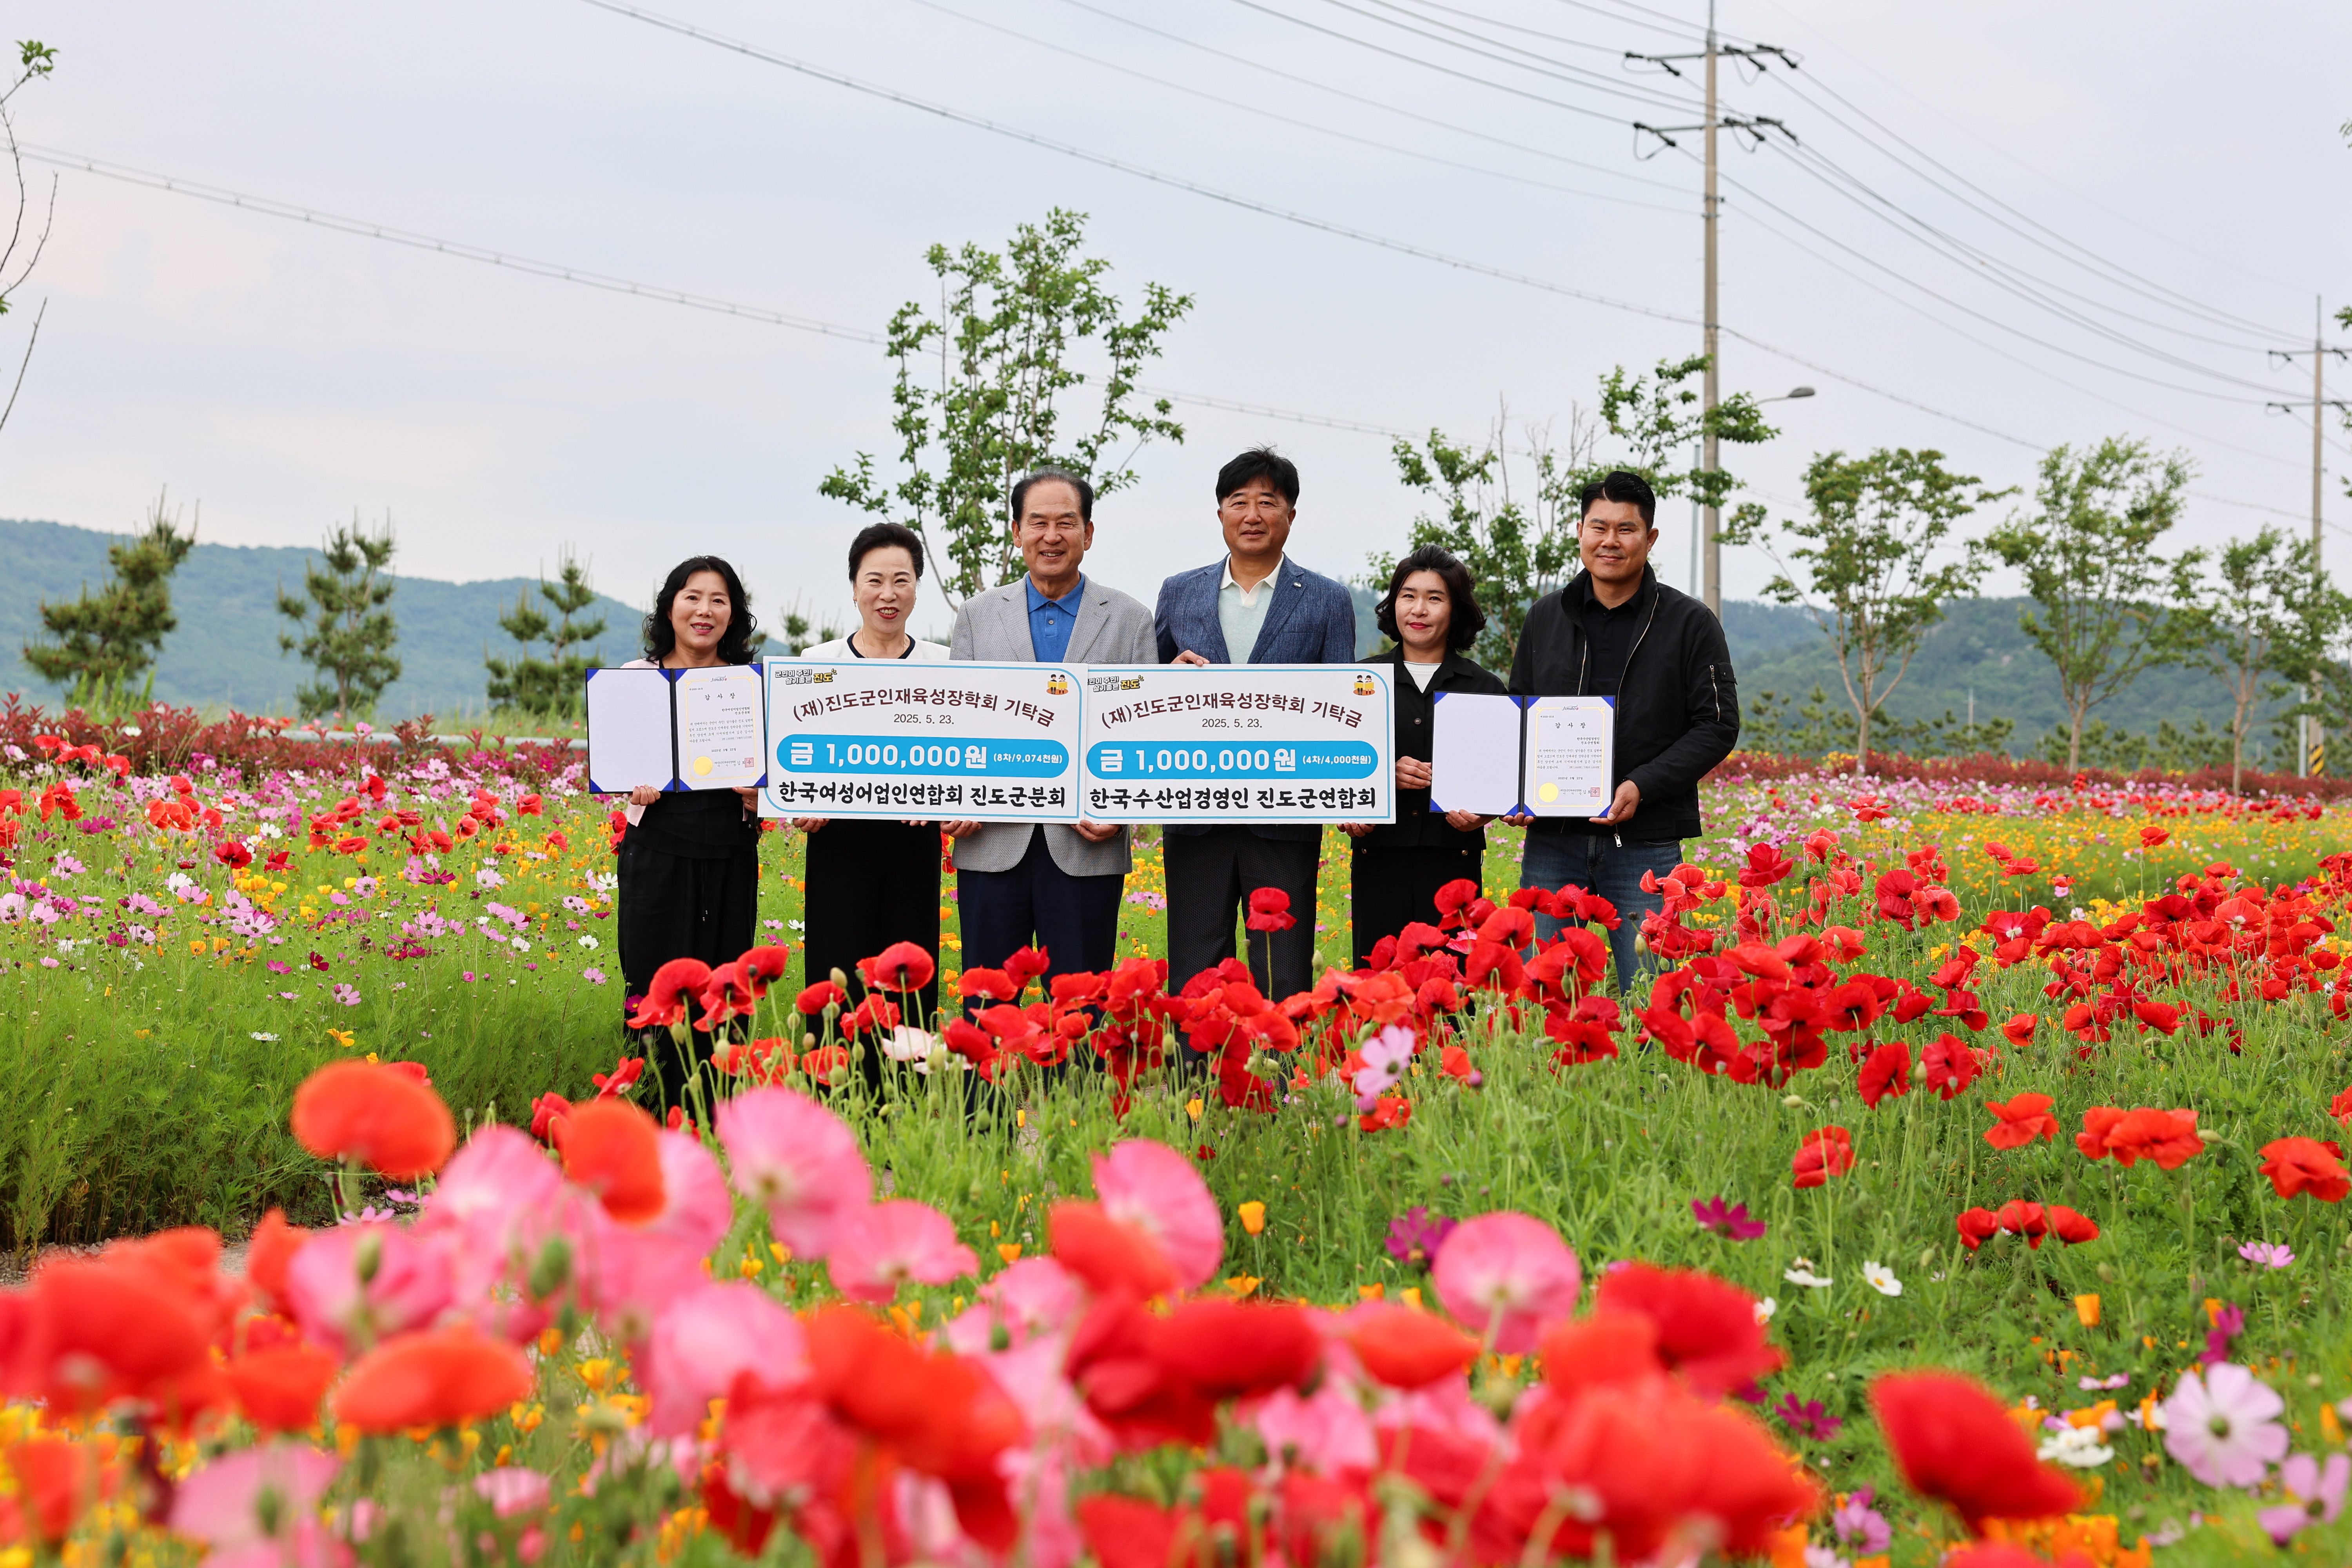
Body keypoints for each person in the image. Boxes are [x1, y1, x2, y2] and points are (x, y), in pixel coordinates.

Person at [1506, 469, 1740, 988]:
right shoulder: (1545, 618)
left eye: (1626, 529)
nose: (1610, 541)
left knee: (1655, 997)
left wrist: (1642, 785)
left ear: (1650, 538)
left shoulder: (1689, 622)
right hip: (1553, 842)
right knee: (1546, 994)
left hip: (1646, 843)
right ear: (1580, 531)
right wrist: (1513, 791)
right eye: (1599, 527)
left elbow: (1718, 726)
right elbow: (1515, 716)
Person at [944, 466, 1157, 1002]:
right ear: (1016, 532)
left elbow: (1145, 736)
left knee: (1081, 1009)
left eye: (1067, 522)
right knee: (988, 1010)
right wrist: (954, 799)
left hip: (1087, 842)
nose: (1052, 536)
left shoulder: (1131, 619)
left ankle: (1076, 1090)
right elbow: (955, 722)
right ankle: (986, 1092)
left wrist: (1123, 811)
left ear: (1089, 533)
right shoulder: (976, 617)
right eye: (1037, 523)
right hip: (991, 840)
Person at [1154, 446, 1359, 998]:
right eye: (1238, 501)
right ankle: (1196, 1083)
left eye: (1267, 502)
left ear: (1290, 515)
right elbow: (1147, 692)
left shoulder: (1326, 600)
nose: (1252, 515)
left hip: (1285, 817)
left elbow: (1347, 709)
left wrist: (1350, 796)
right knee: (1197, 968)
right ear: (1219, 513)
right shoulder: (1179, 591)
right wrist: (1165, 675)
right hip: (1194, 810)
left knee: (1283, 968)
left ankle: (1282, 1084)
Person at [614, 555, 764, 1111]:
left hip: (729, 851)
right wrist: (630, 784)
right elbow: (616, 766)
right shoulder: (634, 680)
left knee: (724, 985)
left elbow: (777, 773)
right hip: (657, 852)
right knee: (653, 984)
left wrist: (761, 793)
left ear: (734, 614)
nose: (704, 610)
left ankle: (717, 1114)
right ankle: (650, 1113)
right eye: (692, 597)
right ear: (670, 606)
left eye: (719, 600)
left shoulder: (752, 686)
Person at [793, 523, 948, 1028]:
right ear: (855, 587)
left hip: (914, 846)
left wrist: (943, 803)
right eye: (875, 580)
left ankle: (907, 1092)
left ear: (917, 588)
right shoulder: (815, 664)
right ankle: (835, 1089)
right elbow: (794, 762)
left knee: (908, 980)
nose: (888, 594)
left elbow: (963, 761)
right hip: (839, 844)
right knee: (836, 976)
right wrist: (800, 806)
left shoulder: (946, 665)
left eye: (901, 580)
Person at [1339, 547, 1504, 965]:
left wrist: (1485, 812)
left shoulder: (1486, 688)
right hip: (1378, 859)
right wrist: (1375, 780)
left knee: (1451, 991)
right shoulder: (1359, 682)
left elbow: (1503, 777)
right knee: (1380, 988)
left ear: (1456, 609)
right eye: (1408, 595)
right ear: (1393, 603)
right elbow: (1333, 771)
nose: (1419, 609)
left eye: (1435, 598)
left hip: (1455, 862)